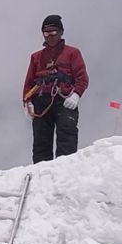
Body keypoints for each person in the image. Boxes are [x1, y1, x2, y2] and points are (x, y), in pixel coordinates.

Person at [23, 14, 89, 163]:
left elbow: (82, 77)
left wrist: (76, 95)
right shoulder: (36, 57)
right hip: (41, 100)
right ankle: (41, 172)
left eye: (54, 32)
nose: (50, 36)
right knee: (41, 140)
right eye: (46, 32)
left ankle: (65, 171)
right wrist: (27, 103)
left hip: (64, 99)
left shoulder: (72, 53)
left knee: (67, 134)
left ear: (61, 32)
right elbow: (29, 83)